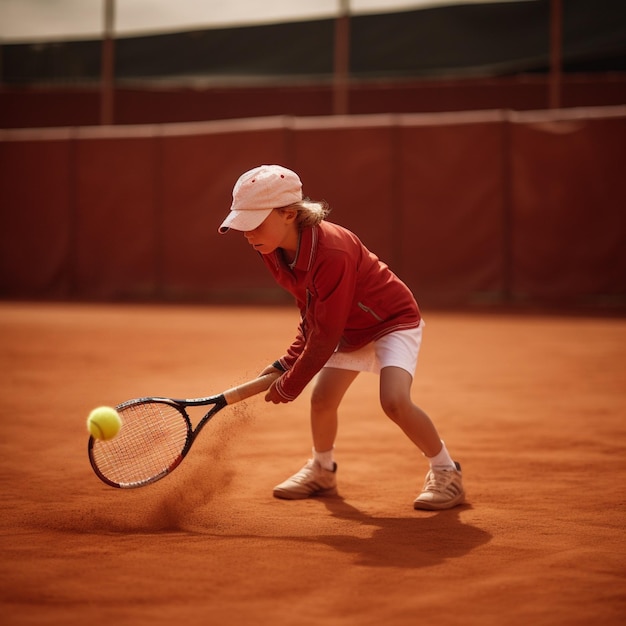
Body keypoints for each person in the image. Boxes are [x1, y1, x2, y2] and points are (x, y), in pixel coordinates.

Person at [218, 164, 464, 510]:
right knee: (322, 400)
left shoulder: (332, 252)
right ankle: (322, 470)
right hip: (348, 327)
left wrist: (291, 383)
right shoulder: (270, 248)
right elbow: (311, 314)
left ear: (289, 214)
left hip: (390, 321)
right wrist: (284, 363)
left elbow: (327, 334)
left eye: (254, 222)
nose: (246, 232)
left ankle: (446, 471)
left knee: (394, 400)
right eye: (242, 222)